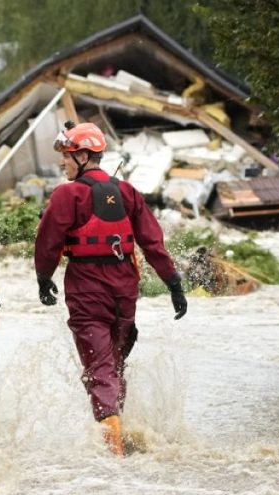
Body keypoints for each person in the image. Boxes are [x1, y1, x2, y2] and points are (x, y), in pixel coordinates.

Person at [34, 121, 188, 456]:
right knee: (114, 363)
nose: (63, 163)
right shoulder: (128, 192)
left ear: (85, 156)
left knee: (99, 368)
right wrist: (173, 282)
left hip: (88, 289)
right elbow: (153, 242)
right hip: (125, 291)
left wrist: (43, 278)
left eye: (68, 156)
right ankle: (122, 432)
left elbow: (48, 243)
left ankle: (114, 454)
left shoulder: (67, 194)